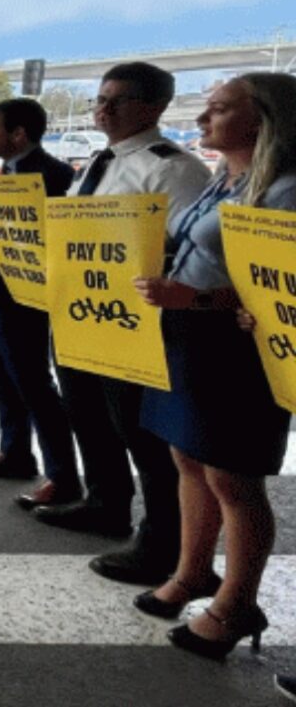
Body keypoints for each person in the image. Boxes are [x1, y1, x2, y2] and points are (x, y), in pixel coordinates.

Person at [132, 73, 296, 660]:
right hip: (186, 336)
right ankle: (193, 572)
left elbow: (275, 286)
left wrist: (200, 299)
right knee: (189, 459)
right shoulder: (226, 179)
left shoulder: (284, 190)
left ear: (263, 120)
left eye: (219, 109)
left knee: (233, 476)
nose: (203, 120)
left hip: (238, 350)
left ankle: (237, 602)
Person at [34, 61, 210, 588]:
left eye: (118, 100)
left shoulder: (173, 168)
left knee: (145, 437)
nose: (103, 109)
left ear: (153, 107)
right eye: (100, 99)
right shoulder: (98, 162)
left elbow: (182, 250)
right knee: (87, 414)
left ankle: (161, 544)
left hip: (133, 324)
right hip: (80, 314)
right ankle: (105, 503)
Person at [0, 98, 82, 503]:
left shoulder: (53, 176)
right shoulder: (6, 172)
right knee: (4, 379)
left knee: (33, 384)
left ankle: (61, 475)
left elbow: (50, 241)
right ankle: (15, 452)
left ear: (18, 134)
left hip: (23, 301)